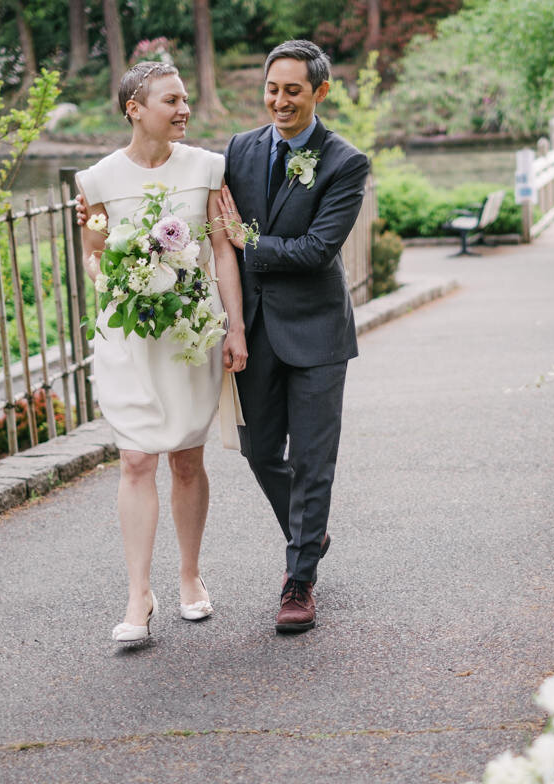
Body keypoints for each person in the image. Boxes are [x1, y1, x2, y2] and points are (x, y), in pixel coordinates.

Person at [76, 61, 248, 643]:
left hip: (190, 334)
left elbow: (224, 253)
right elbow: (95, 260)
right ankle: (137, 595)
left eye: (184, 100)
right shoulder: (95, 181)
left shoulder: (206, 168)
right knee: (135, 458)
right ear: (135, 108)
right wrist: (120, 269)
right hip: (128, 337)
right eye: (171, 100)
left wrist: (235, 329)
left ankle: (191, 576)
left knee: (186, 459)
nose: (183, 110)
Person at [215, 40, 370, 633]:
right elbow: (193, 194)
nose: (279, 101)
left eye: (293, 91)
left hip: (317, 333)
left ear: (320, 93)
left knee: (312, 460)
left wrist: (247, 242)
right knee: (258, 452)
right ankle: (312, 532)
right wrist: (99, 213)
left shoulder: (344, 162)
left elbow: (315, 251)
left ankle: (299, 580)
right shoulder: (239, 149)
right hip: (253, 330)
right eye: (272, 89)